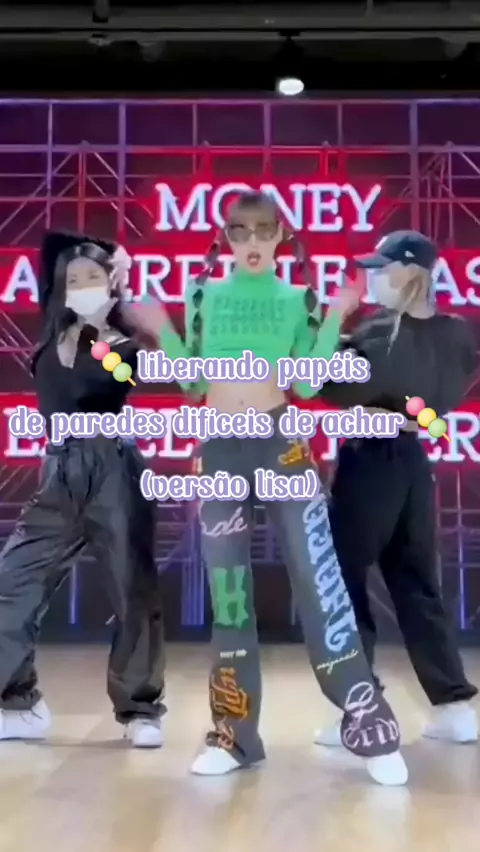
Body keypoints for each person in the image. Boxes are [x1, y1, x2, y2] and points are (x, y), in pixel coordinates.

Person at [125, 190, 409, 786]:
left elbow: (305, 386)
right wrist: (162, 331)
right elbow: (193, 385)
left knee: (318, 580)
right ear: (225, 238)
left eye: (263, 230)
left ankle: (366, 718)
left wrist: (336, 316)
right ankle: (234, 735)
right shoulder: (203, 295)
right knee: (230, 596)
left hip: (281, 445)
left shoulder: (295, 298)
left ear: (281, 235)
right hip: (220, 449)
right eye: (239, 231)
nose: (251, 242)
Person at [313, 230, 478, 748]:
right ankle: (454, 706)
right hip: (412, 460)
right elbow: (444, 396)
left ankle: (359, 707)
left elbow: (323, 383)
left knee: (343, 580)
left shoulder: (381, 332)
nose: (374, 277)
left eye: (383, 268)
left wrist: (332, 321)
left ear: (412, 271)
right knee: (416, 581)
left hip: (371, 461)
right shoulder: (456, 334)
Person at [0, 231, 165, 748]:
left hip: (111, 468)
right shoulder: (52, 337)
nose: (84, 286)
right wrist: (106, 254)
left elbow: (123, 374)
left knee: (132, 589)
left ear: (111, 286)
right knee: (11, 580)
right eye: (75, 279)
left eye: (95, 277)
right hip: (59, 475)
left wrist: (115, 294)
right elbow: (53, 244)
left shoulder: (121, 348)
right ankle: (19, 703)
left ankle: (140, 709)